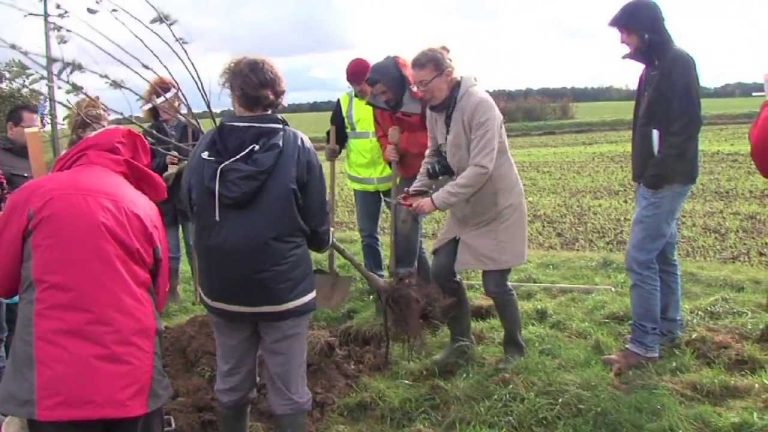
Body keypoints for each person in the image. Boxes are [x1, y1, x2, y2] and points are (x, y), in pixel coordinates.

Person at [183, 57, 330, 432]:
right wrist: (319, 241)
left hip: (223, 287)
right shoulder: (296, 145)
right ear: (277, 96)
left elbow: (189, 205)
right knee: (289, 386)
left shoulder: (205, 147)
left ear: (234, 94)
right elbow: (318, 226)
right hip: (283, 290)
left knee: (231, 377)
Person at [0, 126, 173, 431]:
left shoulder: (29, 197)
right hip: (129, 378)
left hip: (51, 383)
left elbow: (4, 281)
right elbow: (159, 296)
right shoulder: (142, 206)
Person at [404, 47, 528, 371]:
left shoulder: (480, 105)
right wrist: (418, 188)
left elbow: (481, 168)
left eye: (425, 83)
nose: (421, 92)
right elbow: (434, 154)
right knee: (441, 269)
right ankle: (460, 342)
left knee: (495, 285)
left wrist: (434, 201)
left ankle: (514, 350)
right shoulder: (434, 109)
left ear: (448, 74)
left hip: (498, 205)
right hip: (466, 207)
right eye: (415, 85)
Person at [602, 0, 702, 375]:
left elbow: (688, 124)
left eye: (625, 33)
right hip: (655, 176)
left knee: (639, 258)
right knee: (662, 256)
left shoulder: (677, 63)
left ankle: (644, 345)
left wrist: (658, 172)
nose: (623, 41)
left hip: (668, 178)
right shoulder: (653, 70)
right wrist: (645, 171)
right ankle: (669, 329)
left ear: (644, 31)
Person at [365, 56, 431, 283]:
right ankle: (419, 285)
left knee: (406, 219)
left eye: (385, 92)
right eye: (378, 93)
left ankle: (407, 279)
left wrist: (400, 142)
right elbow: (382, 133)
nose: (383, 97)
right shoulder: (379, 105)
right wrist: (386, 150)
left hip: (431, 169)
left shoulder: (423, 100)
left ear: (395, 84)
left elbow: (433, 139)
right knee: (405, 222)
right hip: (406, 170)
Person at [326, 58, 392, 279]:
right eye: (353, 84)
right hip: (362, 180)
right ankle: (377, 280)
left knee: (405, 233)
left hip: (392, 176)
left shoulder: (386, 98)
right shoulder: (344, 103)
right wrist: (332, 147)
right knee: (367, 234)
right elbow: (336, 134)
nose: (358, 88)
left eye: (361, 82)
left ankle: (413, 279)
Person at [142, 77, 201, 303]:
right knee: (171, 252)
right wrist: (163, 163)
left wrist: (185, 163)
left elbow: (204, 158)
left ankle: (200, 291)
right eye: (160, 102)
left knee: (195, 246)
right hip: (164, 201)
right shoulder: (150, 133)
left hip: (188, 198)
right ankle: (172, 291)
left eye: (168, 101)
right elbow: (145, 166)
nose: (164, 107)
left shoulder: (192, 130)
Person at [0, 104, 38, 381]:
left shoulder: (38, 159)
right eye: (29, 128)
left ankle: (20, 377)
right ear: (11, 128)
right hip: (8, 243)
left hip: (32, 248)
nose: (35, 133)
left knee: (23, 320)